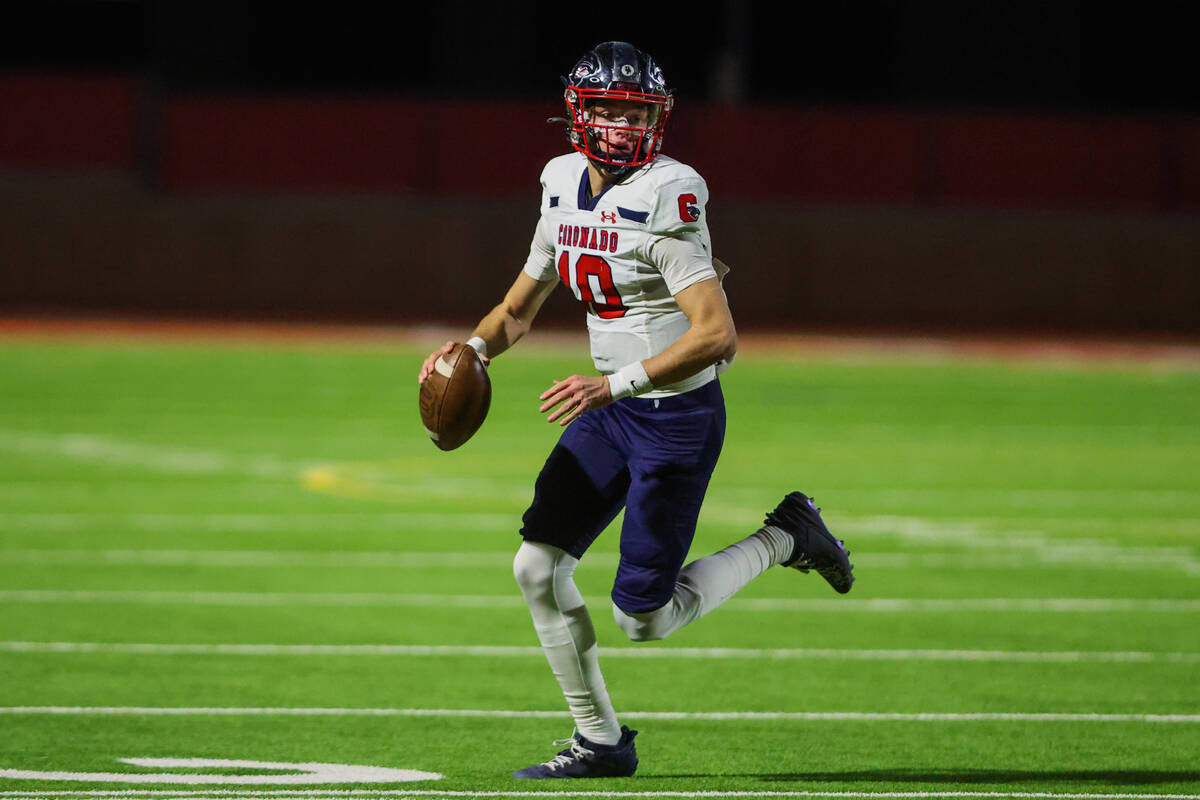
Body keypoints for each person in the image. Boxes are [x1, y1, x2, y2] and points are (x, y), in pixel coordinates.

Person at [418, 41, 854, 779]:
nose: (623, 129)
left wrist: (610, 384)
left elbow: (718, 336)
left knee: (643, 619)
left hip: (673, 418)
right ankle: (599, 741)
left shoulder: (669, 191)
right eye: (610, 113)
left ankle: (787, 535)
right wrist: (471, 351)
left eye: (637, 114)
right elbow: (519, 308)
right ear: (577, 116)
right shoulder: (559, 183)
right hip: (614, 410)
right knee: (536, 565)